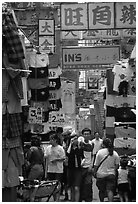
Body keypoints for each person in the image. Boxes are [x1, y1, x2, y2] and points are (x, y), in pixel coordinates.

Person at [93, 137, 120, 202]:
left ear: (103, 144)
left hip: (101, 175)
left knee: (101, 191)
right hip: (111, 175)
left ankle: (101, 202)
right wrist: (113, 171)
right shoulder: (115, 153)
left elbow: (96, 165)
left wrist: (94, 172)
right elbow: (117, 166)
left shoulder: (99, 152)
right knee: (110, 190)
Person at [45, 131, 65, 201]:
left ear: (55, 140)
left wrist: (56, 160)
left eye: (51, 139)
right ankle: (54, 199)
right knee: (51, 185)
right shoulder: (48, 148)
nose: (50, 141)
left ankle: (57, 199)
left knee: (57, 184)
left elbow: (63, 158)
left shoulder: (60, 148)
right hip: (50, 169)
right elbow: (46, 156)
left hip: (58, 169)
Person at [67, 136, 84, 202]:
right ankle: (72, 200)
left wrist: (82, 162)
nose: (75, 140)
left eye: (76, 139)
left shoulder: (80, 149)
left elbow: (83, 157)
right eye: (74, 139)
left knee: (76, 187)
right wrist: (70, 145)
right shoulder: (69, 149)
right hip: (70, 169)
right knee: (71, 186)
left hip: (78, 170)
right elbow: (67, 154)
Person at [79, 128, 94, 202]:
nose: (86, 135)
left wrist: (91, 165)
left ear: (90, 135)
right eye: (85, 134)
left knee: (88, 184)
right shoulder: (80, 144)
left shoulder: (92, 144)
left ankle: (88, 200)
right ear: (82, 135)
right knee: (80, 184)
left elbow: (93, 155)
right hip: (81, 167)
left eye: (88, 134)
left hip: (88, 167)